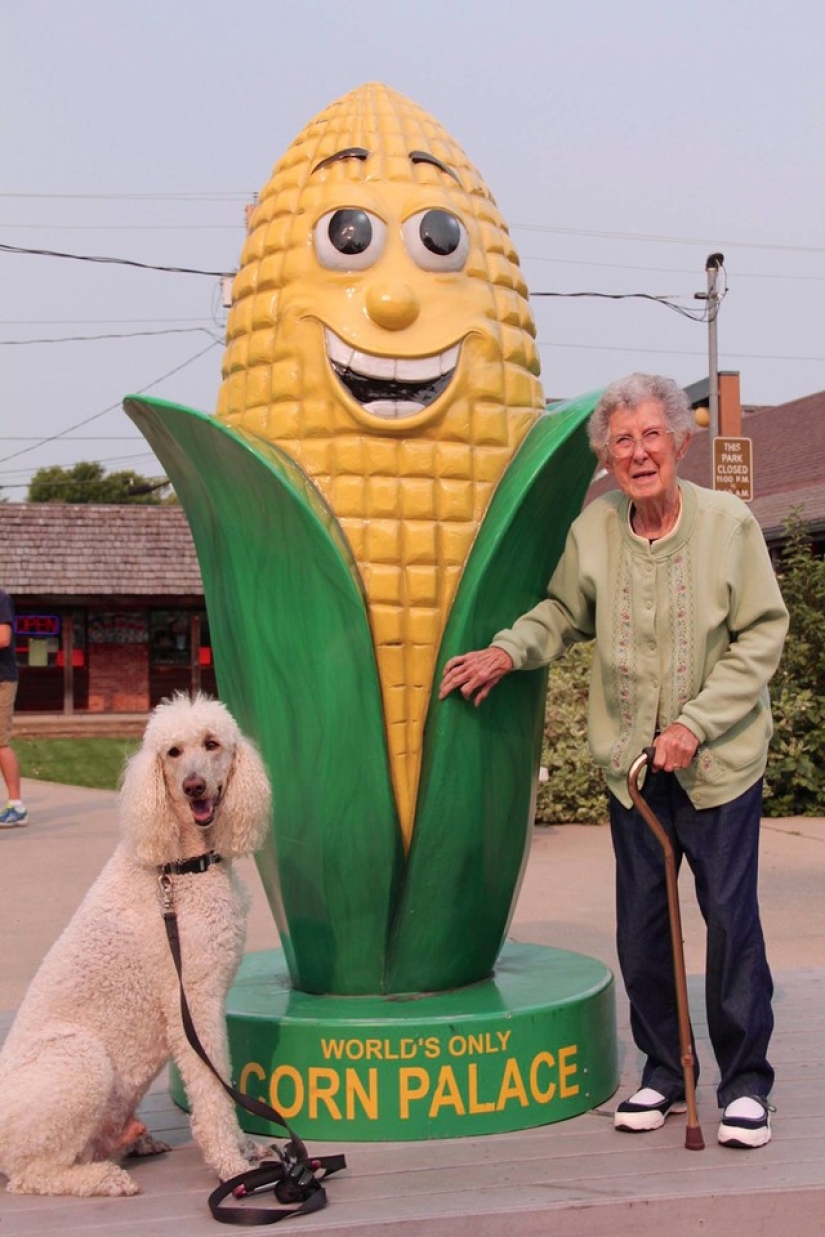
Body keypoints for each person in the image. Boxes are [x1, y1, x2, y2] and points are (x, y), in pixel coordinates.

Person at [439, 372, 789, 1150]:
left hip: (719, 764)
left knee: (731, 921)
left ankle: (744, 1082)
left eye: (651, 435)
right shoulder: (595, 530)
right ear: (608, 456)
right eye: (621, 440)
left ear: (680, 441)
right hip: (632, 765)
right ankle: (665, 1072)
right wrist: (506, 649)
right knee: (642, 925)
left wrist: (694, 725)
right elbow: (563, 611)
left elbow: (761, 635)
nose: (637, 452)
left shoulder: (727, 523)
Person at [0, 588, 27, 828]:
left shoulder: (1, 598)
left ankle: (16, 806)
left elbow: (3, 638)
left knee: (0, 742)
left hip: (2, 681)